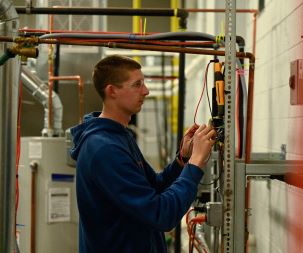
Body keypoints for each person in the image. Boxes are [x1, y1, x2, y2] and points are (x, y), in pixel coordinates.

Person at [70, 55, 216, 253]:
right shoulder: (104, 149)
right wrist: (196, 162)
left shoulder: (119, 136)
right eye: (137, 84)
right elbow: (161, 214)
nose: (146, 91)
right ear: (112, 91)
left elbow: (152, 187)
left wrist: (183, 159)